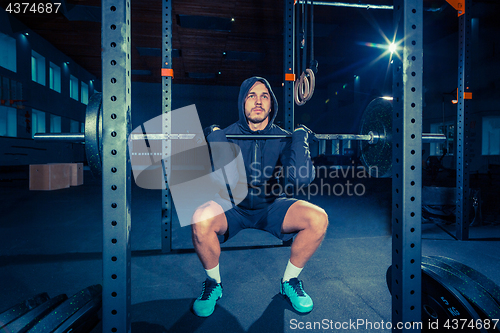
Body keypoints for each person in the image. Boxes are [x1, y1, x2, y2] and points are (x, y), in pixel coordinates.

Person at [191, 76, 328, 317]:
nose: (258, 101)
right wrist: (215, 138)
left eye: (264, 96)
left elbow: (300, 179)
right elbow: (223, 181)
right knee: (200, 218)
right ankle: (213, 284)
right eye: (251, 96)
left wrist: (298, 138)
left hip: (271, 206)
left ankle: (289, 282)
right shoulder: (226, 135)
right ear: (242, 103)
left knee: (318, 218)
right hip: (233, 207)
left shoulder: (283, 137)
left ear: (271, 105)